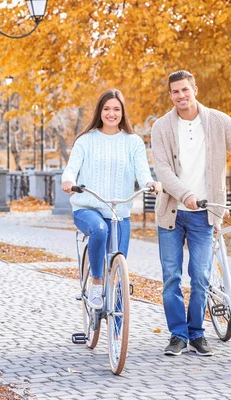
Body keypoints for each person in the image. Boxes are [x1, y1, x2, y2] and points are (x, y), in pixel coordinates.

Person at [151, 70, 231, 357]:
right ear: (170, 95)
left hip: (205, 213)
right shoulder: (160, 127)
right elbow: (162, 170)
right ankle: (177, 335)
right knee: (171, 277)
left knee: (200, 276)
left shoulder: (218, 122)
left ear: (194, 89)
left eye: (185, 89)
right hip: (172, 213)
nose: (181, 96)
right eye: (175, 92)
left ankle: (197, 334)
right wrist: (186, 194)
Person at [61, 89, 162, 309]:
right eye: (106, 108)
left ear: (123, 112)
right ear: (100, 111)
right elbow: (71, 169)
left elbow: (143, 172)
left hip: (119, 212)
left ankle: (118, 334)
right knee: (99, 229)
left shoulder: (133, 142)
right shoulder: (86, 141)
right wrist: (68, 181)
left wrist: (150, 183)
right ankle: (96, 282)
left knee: (118, 271)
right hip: (87, 208)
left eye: (116, 109)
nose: (111, 113)